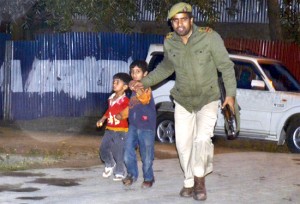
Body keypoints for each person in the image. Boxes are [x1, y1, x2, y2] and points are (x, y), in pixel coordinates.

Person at [129, 2, 238, 201]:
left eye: (183, 19)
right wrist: (142, 83)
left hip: (208, 98)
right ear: (171, 24)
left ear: (191, 20)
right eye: (175, 21)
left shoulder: (209, 37)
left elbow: (226, 66)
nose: (179, 24)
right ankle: (188, 181)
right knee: (183, 144)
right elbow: (166, 67)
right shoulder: (170, 41)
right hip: (183, 100)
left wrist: (230, 94)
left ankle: (199, 181)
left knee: (202, 140)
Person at [122, 60, 156, 188]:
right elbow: (132, 105)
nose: (134, 74)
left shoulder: (145, 87)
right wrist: (121, 115)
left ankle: (148, 178)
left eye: (138, 72)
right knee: (127, 151)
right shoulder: (134, 89)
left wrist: (136, 86)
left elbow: (145, 99)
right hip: (134, 125)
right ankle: (132, 174)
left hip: (146, 127)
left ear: (145, 74)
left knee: (146, 155)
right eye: (132, 72)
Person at [97, 72, 132, 181]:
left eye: (118, 82)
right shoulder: (111, 98)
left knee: (118, 152)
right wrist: (103, 119)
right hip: (109, 129)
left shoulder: (126, 101)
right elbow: (109, 111)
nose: (114, 84)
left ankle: (120, 172)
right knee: (103, 149)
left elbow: (129, 111)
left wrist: (121, 115)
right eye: (114, 82)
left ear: (125, 87)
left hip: (121, 130)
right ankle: (110, 163)